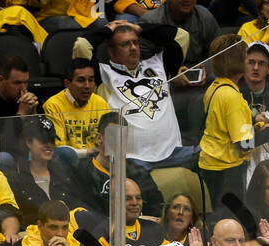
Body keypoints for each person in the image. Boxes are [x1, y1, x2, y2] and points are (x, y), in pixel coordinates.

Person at [88, 20, 191, 168]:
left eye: (135, 42)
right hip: (131, 161)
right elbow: (82, 46)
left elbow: (182, 36)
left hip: (174, 152)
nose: (133, 48)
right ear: (110, 51)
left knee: (208, 157)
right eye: (125, 44)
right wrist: (107, 31)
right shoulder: (103, 75)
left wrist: (140, 28)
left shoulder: (158, 64)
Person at [58, 111, 164, 220]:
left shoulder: (138, 172)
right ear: (99, 138)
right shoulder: (80, 172)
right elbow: (76, 214)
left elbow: (157, 211)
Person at [198, 34, 259, 209]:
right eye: (246, 57)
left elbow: (225, 125)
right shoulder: (232, 96)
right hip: (226, 169)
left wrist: (255, 124)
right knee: (230, 219)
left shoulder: (215, 87)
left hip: (211, 163)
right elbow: (244, 144)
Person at [43, 58, 110, 158]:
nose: (87, 86)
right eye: (81, 80)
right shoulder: (53, 105)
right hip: (69, 162)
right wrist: (87, 152)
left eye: (91, 80)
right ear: (67, 83)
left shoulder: (100, 103)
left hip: (97, 161)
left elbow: (110, 140)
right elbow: (60, 149)